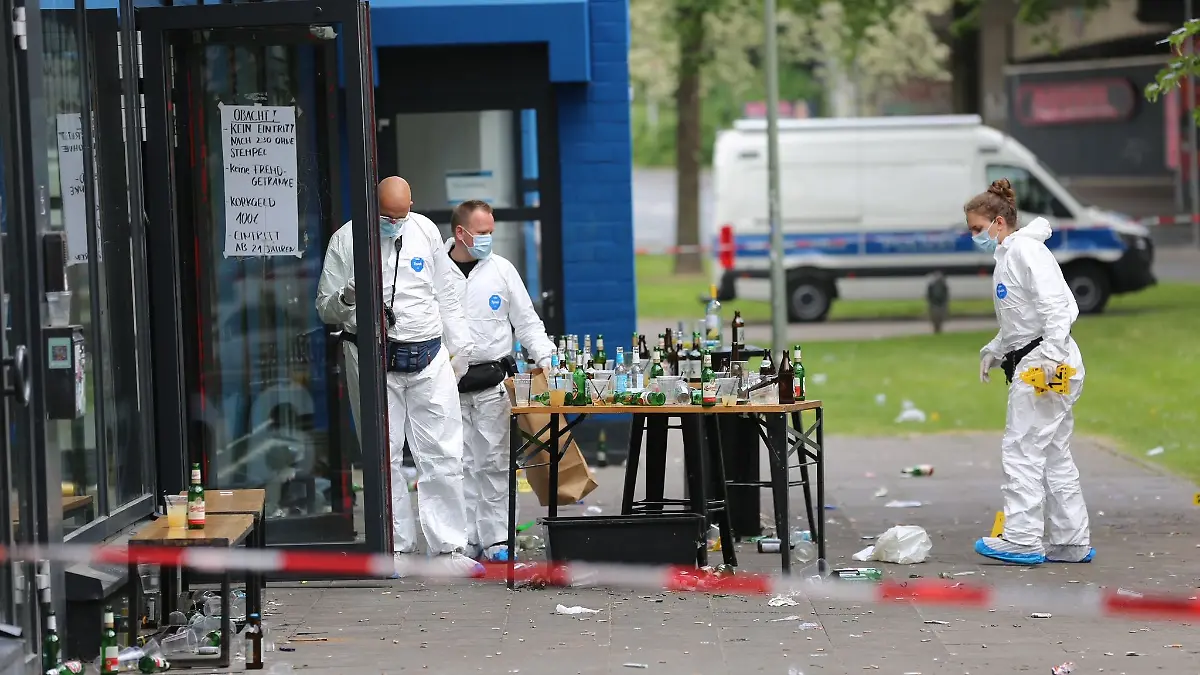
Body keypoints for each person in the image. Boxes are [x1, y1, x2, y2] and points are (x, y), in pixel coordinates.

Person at [315, 176, 481, 576]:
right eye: (387, 217)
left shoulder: (423, 229)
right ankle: (396, 549)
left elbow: (447, 292)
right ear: (372, 207)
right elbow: (325, 309)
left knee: (442, 453)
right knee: (383, 454)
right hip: (373, 359)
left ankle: (448, 550)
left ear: (412, 206)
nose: (395, 224)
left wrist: (461, 352)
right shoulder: (346, 240)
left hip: (427, 357)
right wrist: (348, 296)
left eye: (401, 215)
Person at [967, 178, 1093, 565]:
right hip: (1046, 359)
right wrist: (996, 349)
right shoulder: (1010, 255)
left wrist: (1050, 356)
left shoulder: (1024, 252)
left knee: (1022, 449)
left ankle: (1021, 538)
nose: (974, 236)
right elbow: (1022, 321)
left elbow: (1057, 307)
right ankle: (1070, 541)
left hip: (1045, 363)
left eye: (977, 229)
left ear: (999, 222)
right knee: (1053, 452)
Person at [444, 200, 556, 563]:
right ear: (460, 232)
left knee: (494, 463)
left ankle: (495, 539)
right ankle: (460, 540)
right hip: (446, 383)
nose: (489, 239)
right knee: (453, 464)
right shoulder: (433, 270)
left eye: (492, 232)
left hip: (493, 382)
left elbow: (526, 321)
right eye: (483, 233)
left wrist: (548, 358)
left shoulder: (502, 271)